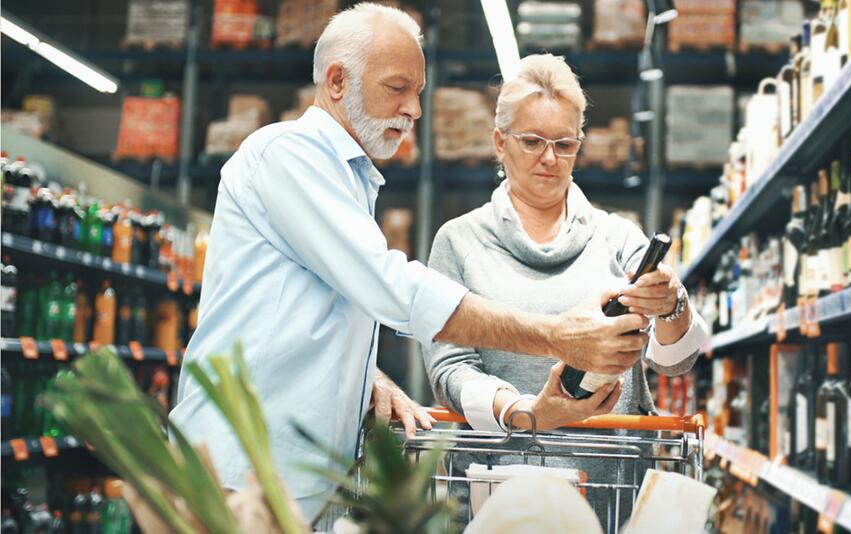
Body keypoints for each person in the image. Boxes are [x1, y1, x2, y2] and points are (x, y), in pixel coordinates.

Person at [169, 4, 648, 521]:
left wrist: (365, 376)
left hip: (300, 483)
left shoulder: (351, 180)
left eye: (417, 93)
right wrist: (557, 336)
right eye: (398, 89)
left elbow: (302, 312)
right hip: (238, 478)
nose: (414, 110)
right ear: (336, 82)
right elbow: (392, 288)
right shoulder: (288, 155)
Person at [424, 54, 710, 528]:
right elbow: (449, 368)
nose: (550, 158)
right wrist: (528, 412)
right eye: (532, 141)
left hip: (610, 488)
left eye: (564, 143)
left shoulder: (619, 238)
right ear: (500, 142)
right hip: (498, 494)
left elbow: (675, 362)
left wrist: (673, 302)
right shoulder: (459, 242)